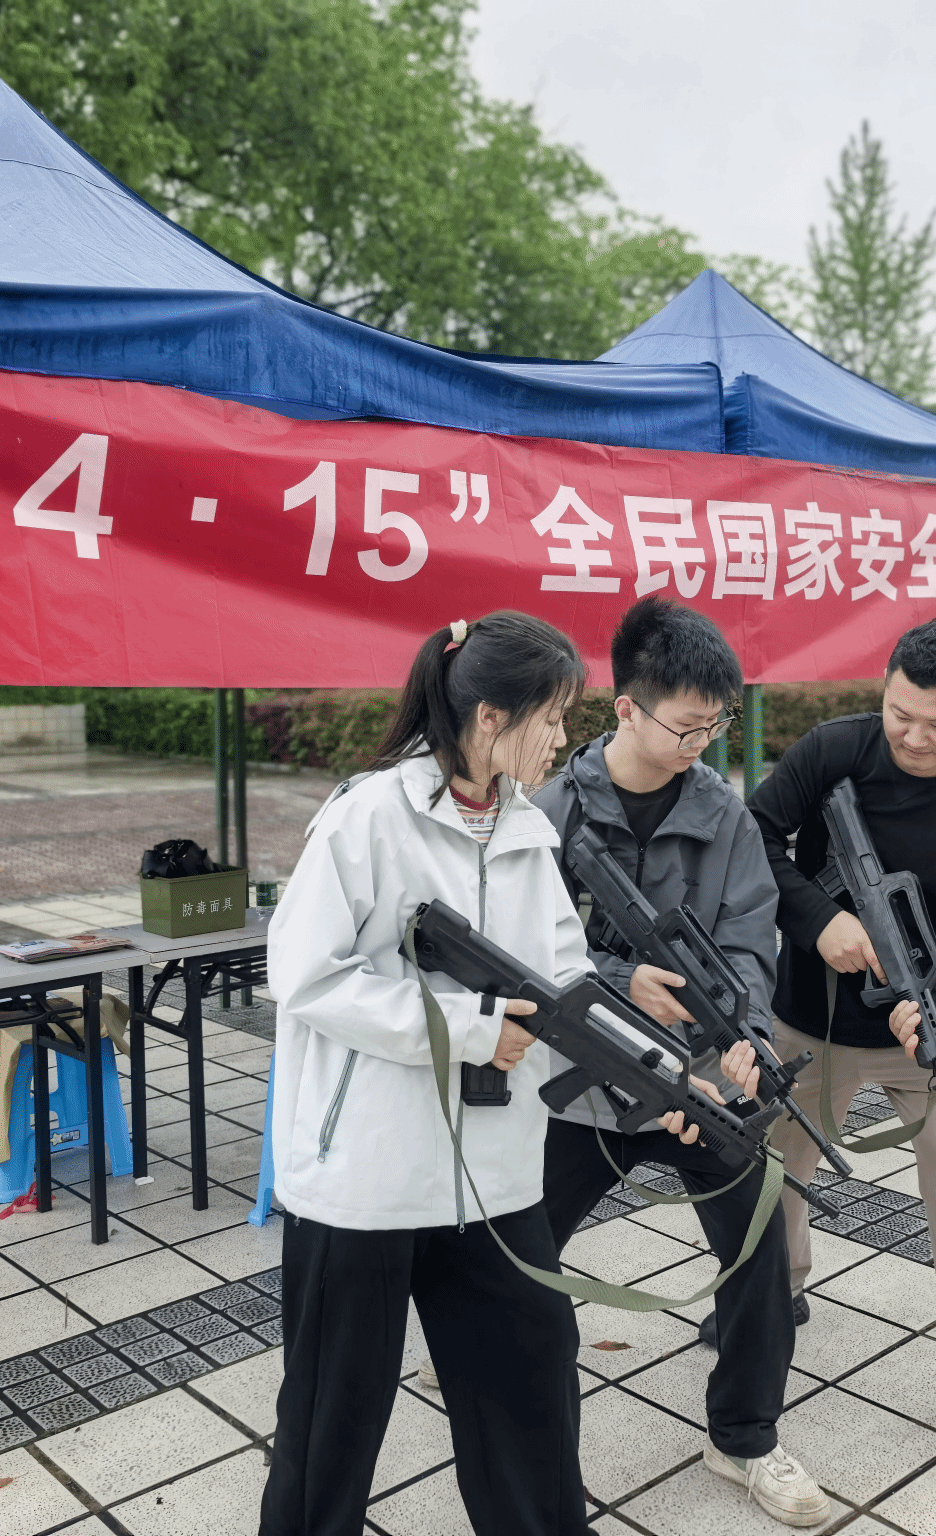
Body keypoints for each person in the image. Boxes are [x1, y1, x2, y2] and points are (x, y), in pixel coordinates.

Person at [258, 611, 597, 1536]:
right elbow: (304, 975)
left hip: (494, 1178)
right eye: (552, 717)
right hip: (364, 1182)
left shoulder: (527, 830)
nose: (562, 737)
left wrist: (662, 1075)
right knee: (330, 1425)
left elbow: (567, 981)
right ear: (491, 718)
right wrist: (468, 1028)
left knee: (531, 1395)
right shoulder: (368, 816)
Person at [531, 596, 829, 1528]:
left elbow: (748, 940)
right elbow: (525, 951)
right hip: (580, 1089)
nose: (702, 743)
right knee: (511, 1255)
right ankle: (501, 1395)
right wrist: (621, 979)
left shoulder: (723, 814)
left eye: (715, 726)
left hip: (697, 1083)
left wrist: (741, 1032)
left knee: (760, 1252)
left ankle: (745, 1437)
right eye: (686, 725)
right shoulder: (548, 810)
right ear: (626, 707)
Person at [748, 618, 936, 1485]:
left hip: (923, 1034)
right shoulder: (834, 749)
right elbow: (754, 835)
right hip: (805, 1021)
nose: (914, 738)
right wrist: (820, 919)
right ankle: (775, 1298)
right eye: (900, 715)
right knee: (774, 1177)